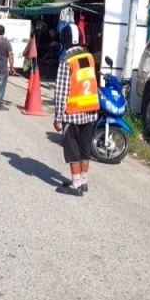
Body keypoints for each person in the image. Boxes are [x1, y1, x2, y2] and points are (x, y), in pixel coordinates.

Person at [53, 23, 99, 196]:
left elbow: (61, 91)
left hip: (72, 113)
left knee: (72, 149)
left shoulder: (67, 62)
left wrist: (58, 118)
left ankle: (75, 185)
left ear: (64, 41)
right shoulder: (89, 57)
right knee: (85, 148)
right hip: (90, 110)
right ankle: (84, 182)